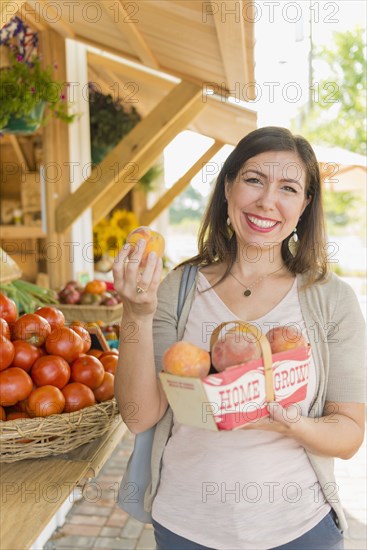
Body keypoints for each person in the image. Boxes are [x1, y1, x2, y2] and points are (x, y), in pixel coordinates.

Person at [113, 126, 366, 550]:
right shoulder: (177, 288)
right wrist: (136, 313)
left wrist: (289, 422)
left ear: (305, 205)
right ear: (228, 186)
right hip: (185, 526)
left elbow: (348, 434)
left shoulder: (330, 299)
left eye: (288, 187)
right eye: (254, 180)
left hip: (299, 530)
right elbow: (140, 416)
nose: (268, 201)